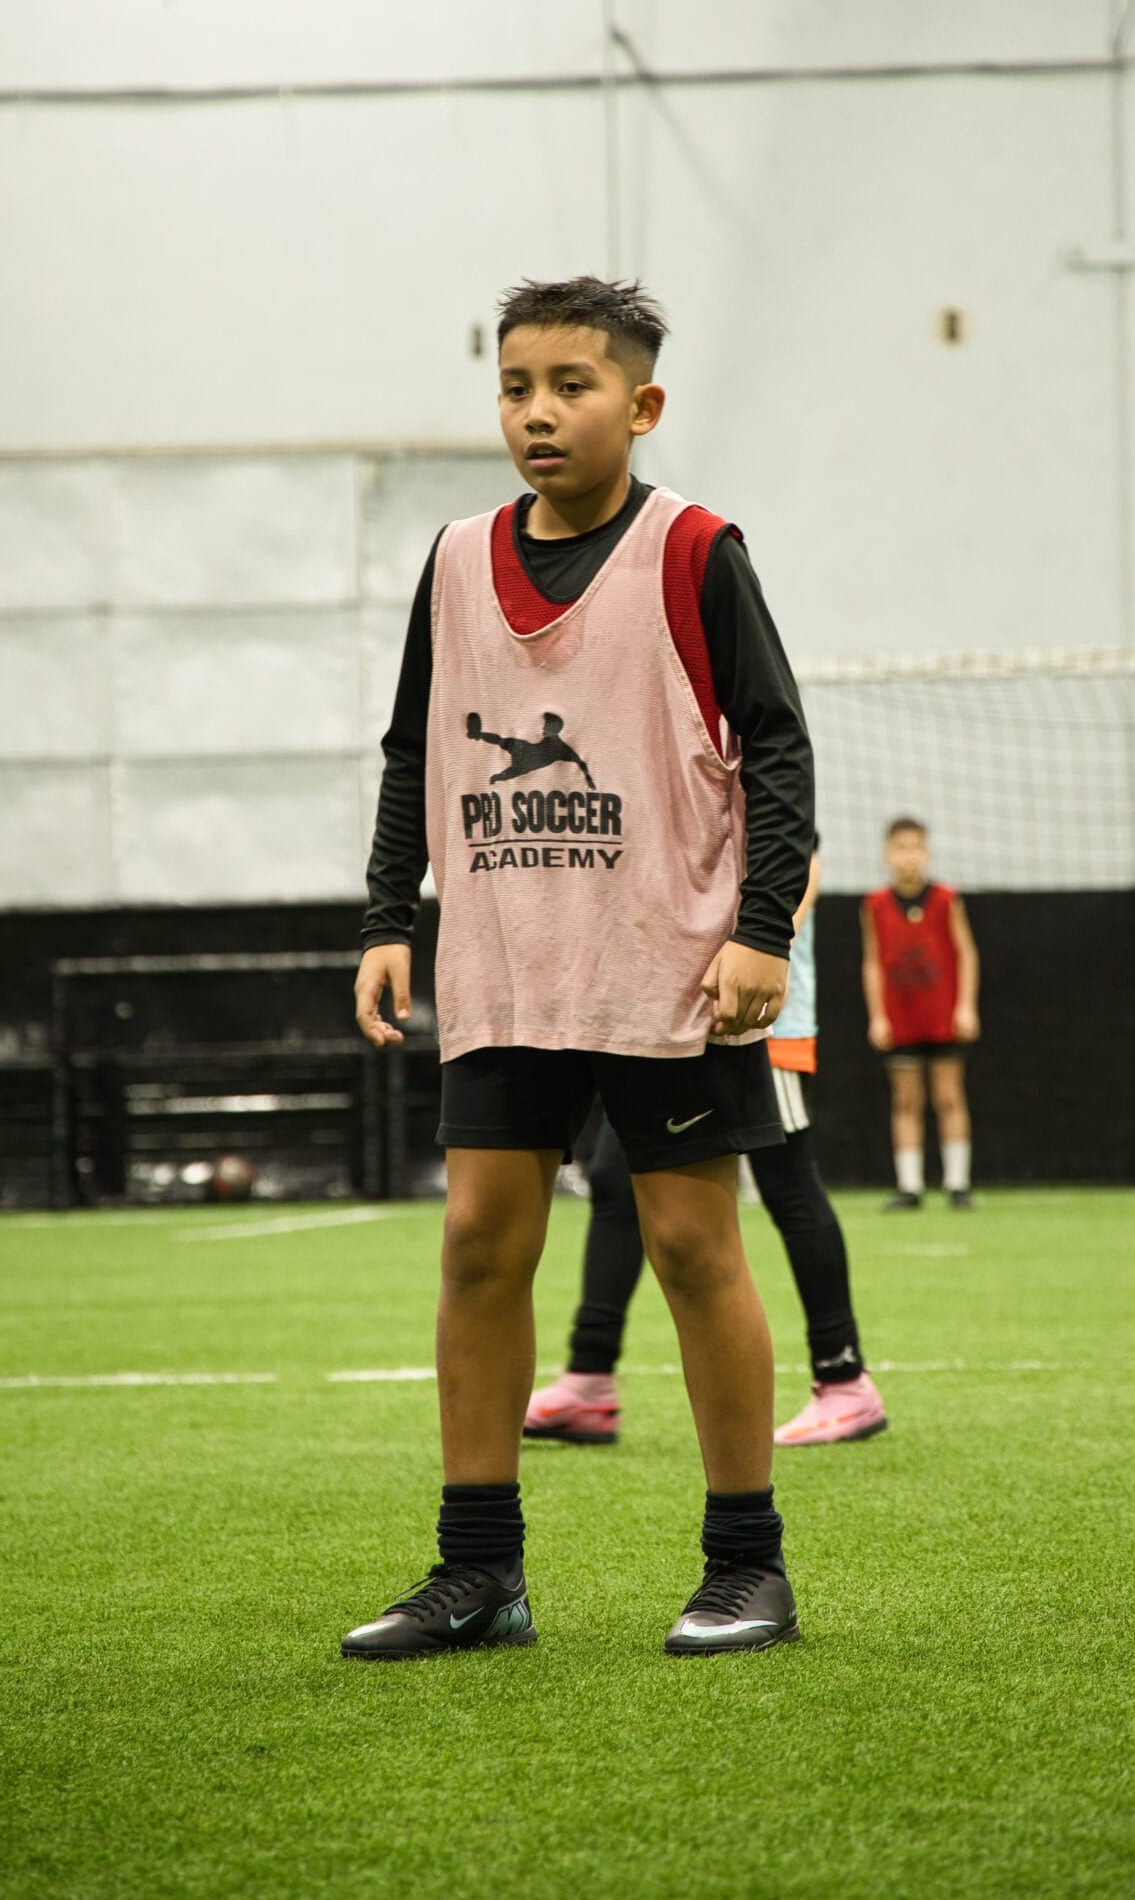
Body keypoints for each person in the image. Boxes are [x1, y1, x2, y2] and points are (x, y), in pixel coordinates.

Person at [346, 276, 815, 1661]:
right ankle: (477, 1571)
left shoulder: (693, 550)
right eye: (513, 388)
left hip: (661, 963)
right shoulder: (451, 559)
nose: (537, 412)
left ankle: (747, 1566)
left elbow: (776, 750)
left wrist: (761, 928)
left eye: (570, 385)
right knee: (480, 1247)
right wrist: (386, 916)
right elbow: (409, 751)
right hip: (502, 960)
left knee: (686, 1244)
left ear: (640, 404)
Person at [526, 843, 886, 1447]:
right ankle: (589, 1379)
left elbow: (801, 872)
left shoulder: (757, 785)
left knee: (790, 1188)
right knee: (614, 1180)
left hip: (756, 1028)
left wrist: (755, 938)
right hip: (664, 1031)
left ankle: (844, 1378)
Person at [861, 817, 980, 1211]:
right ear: (887, 855)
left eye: (915, 849)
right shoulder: (874, 905)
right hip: (901, 1017)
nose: (908, 857)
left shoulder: (947, 899)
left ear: (926, 854)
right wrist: (878, 1016)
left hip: (941, 1013)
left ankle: (957, 1183)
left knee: (949, 1097)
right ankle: (910, 1186)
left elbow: (966, 953)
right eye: (901, 849)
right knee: (906, 1102)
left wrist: (965, 1006)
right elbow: (873, 961)